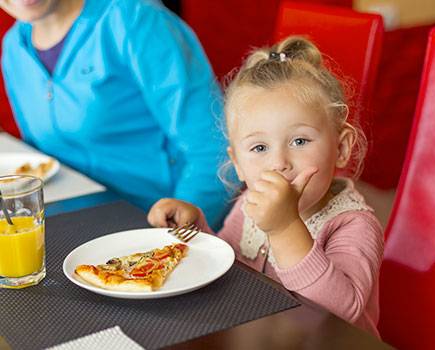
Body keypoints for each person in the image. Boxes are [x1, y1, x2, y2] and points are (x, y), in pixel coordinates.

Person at [148, 36, 384, 337]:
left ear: (340, 147)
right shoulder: (250, 203)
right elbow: (231, 266)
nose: (279, 163)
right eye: (259, 148)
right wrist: (197, 230)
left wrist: (285, 228)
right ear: (238, 164)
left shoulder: (353, 224)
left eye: (299, 141)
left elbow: (340, 314)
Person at [0, 0, 230, 228]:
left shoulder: (136, 19)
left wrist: (178, 229)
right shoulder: (14, 48)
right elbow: (38, 161)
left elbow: (213, 148)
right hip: (69, 221)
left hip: (152, 222)